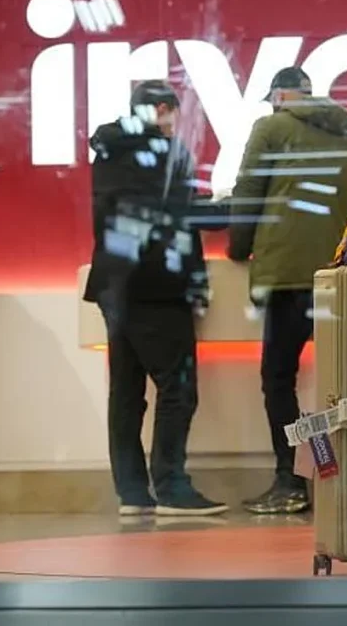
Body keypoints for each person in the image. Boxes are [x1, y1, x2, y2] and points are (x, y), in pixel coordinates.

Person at [229, 66, 347, 514]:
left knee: (279, 379)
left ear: (280, 96)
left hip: (288, 276)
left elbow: (250, 189)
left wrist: (239, 246)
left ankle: (291, 482)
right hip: (340, 276)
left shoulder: (270, 127)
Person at [83, 80, 227, 517]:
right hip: (157, 286)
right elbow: (178, 217)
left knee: (126, 393)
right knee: (177, 389)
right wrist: (226, 209)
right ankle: (171, 487)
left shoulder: (107, 151)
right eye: (172, 112)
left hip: (115, 285)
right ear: (163, 108)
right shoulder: (164, 153)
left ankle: (133, 493)